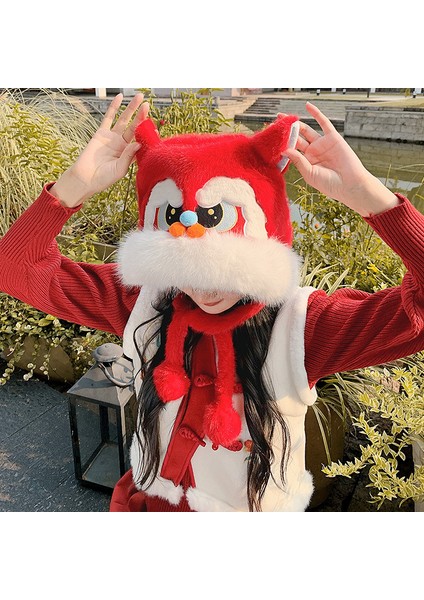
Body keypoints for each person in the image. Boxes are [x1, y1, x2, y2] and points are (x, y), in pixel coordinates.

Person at [1, 93, 424, 512]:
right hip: (149, 504)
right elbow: (15, 268)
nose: (203, 292)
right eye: (185, 270)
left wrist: (373, 200)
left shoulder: (303, 327)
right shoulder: (145, 304)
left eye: (225, 271)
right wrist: (74, 186)